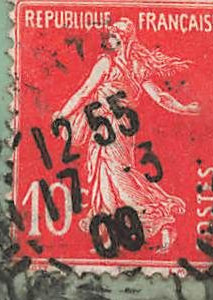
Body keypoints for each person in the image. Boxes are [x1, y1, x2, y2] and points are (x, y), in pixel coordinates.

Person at [53, 19, 200, 253]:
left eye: (112, 35)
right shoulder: (137, 67)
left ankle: (159, 219)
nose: (108, 40)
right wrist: (183, 108)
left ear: (122, 38)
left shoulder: (106, 63)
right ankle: (114, 236)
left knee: (116, 178)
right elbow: (160, 96)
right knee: (106, 180)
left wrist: (63, 113)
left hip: (110, 129)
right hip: (114, 128)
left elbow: (83, 93)